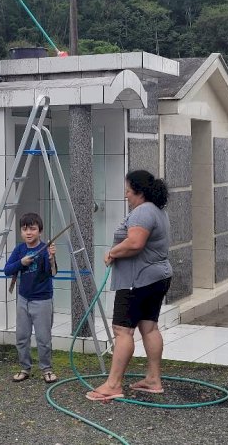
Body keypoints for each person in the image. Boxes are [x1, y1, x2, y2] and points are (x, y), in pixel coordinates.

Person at [86, 170, 173, 401]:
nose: (126, 196)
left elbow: (135, 243)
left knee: (122, 331)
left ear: (139, 192)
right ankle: (153, 380)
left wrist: (112, 252)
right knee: (149, 327)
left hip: (138, 280)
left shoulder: (142, 211)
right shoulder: (157, 211)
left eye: (128, 191)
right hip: (157, 277)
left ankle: (113, 385)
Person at [3, 212, 58, 383]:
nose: (28, 233)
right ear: (21, 231)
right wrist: (22, 263)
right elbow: (7, 269)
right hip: (23, 299)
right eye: (25, 229)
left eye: (33, 229)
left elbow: (53, 272)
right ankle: (24, 368)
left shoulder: (45, 248)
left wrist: (51, 257)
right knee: (21, 337)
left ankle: (46, 369)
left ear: (39, 231)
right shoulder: (20, 249)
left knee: (43, 339)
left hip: (42, 300)